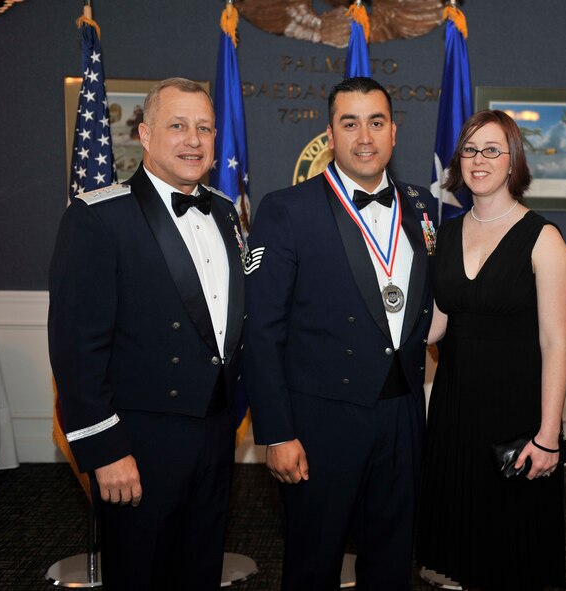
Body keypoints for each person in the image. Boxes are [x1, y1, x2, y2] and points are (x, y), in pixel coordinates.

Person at [48, 77, 245, 590]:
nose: (193, 140)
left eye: (204, 128)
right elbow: (76, 349)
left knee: (200, 571)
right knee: (139, 575)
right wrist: (105, 450)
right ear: (144, 134)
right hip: (138, 441)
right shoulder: (99, 218)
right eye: (177, 126)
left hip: (216, 431)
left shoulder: (227, 213)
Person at [243, 77, 437, 590]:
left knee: (393, 559)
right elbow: (262, 331)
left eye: (376, 122)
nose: (365, 136)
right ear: (331, 134)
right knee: (313, 562)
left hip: (401, 413)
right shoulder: (286, 209)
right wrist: (278, 433)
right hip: (320, 421)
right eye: (350, 123)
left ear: (394, 132)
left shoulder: (423, 207)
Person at [416, 110, 566, 590]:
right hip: (454, 408)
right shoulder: (444, 234)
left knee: (511, 550)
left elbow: (556, 345)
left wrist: (548, 436)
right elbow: (436, 325)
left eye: (491, 150)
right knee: (462, 542)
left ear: (513, 162)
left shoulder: (543, 239)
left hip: (515, 412)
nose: (478, 160)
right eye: (470, 150)